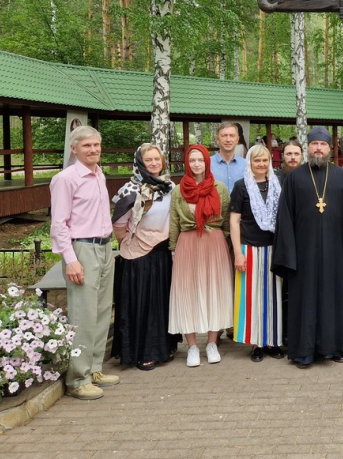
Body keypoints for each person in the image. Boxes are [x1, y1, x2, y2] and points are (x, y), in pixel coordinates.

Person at [272, 127, 343, 369]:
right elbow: (284, 218)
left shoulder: (341, 177)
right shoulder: (295, 177)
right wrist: (288, 256)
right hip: (303, 253)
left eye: (323, 144)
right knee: (304, 300)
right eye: (314, 144)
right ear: (307, 147)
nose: (318, 148)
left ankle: (334, 348)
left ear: (330, 149)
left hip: (334, 252)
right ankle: (304, 351)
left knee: (333, 299)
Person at [49, 126, 119, 400]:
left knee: (102, 312)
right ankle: (78, 379)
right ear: (74, 149)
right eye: (87, 145)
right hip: (82, 250)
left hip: (104, 248)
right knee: (83, 315)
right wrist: (71, 260)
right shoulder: (66, 179)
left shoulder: (98, 174)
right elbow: (59, 225)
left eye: (96, 145)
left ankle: (94, 369)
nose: (93, 150)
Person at [111, 144, 180, 371]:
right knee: (142, 305)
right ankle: (142, 352)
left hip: (162, 253)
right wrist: (128, 243)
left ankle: (163, 347)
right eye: (148, 160)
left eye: (156, 159)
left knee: (160, 303)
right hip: (138, 255)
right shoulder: (130, 189)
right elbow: (119, 224)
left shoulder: (170, 187)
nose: (153, 163)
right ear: (140, 162)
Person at [168, 144, 233, 367]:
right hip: (187, 243)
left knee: (215, 290)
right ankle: (193, 346)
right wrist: (173, 248)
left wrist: (220, 240)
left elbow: (225, 218)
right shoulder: (178, 190)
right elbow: (174, 222)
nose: (197, 164)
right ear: (187, 163)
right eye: (192, 160)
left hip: (214, 242)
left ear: (207, 161)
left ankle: (212, 343)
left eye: (200, 160)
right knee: (188, 292)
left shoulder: (219, 187)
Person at [229, 144, 284, 361]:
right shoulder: (241, 186)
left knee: (273, 297)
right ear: (249, 163)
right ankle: (256, 344)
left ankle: (272, 342)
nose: (261, 164)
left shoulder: (277, 185)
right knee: (251, 299)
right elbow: (234, 221)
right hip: (248, 248)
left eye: (265, 161)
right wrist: (237, 253)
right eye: (256, 161)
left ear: (270, 162)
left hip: (273, 248)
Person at [210, 122, 247, 190]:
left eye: (232, 135)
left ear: (237, 139)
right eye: (224, 135)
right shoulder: (208, 164)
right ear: (217, 139)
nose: (228, 140)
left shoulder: (245, 165)